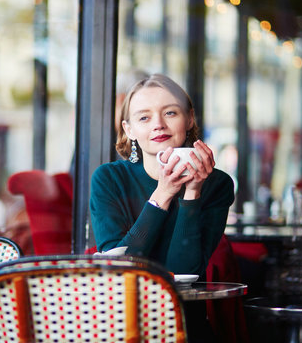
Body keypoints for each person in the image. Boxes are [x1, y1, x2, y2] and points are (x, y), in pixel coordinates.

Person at [90, 73, 234, 276]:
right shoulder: (108, 179)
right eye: (144, 117)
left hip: (185, 305)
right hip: (126, 304)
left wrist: (192, 193)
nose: (158, 124)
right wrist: (163, 194)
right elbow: (118, 270)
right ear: (129, 129)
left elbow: (184, 272)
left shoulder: (218, 184)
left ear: (190, 118)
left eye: (170, 113)